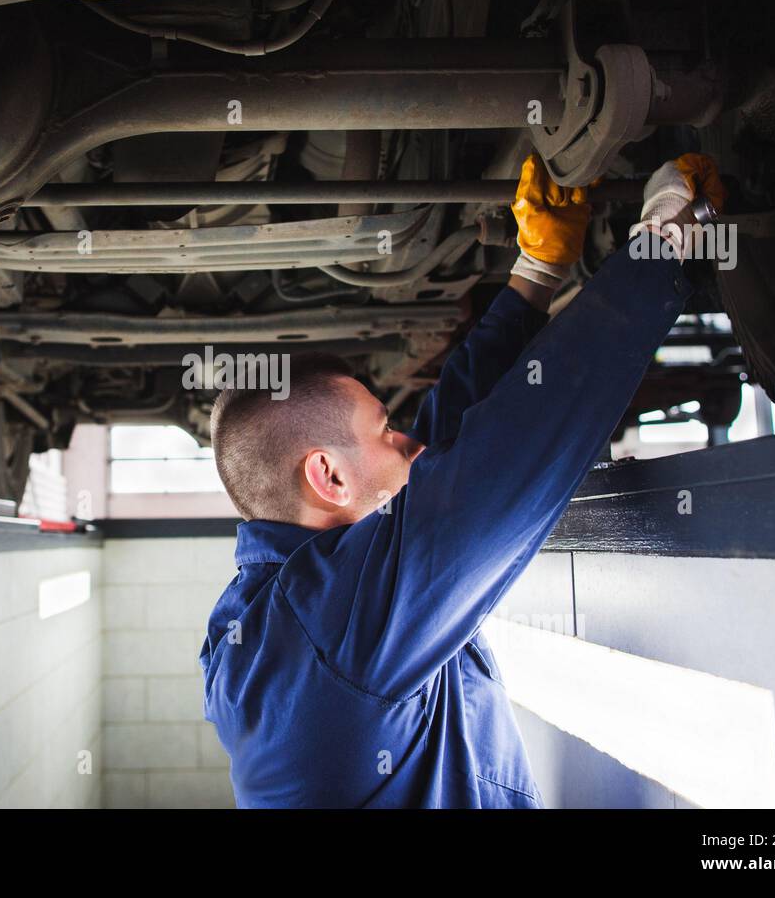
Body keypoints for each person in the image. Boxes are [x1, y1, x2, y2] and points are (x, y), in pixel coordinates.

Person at [198, 153, 726, 807]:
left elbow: (444, 461)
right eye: (387, 431)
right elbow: (495, 472)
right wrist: (662, 243)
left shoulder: (275, 618)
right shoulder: (322, 635)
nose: (408, 443)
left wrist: (535, 274)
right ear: (328, 474)